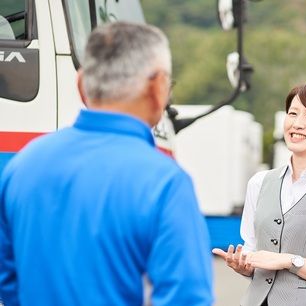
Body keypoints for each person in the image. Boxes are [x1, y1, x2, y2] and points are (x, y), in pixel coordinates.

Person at [0, 21, 213, 306]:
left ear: (80, 84)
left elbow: (9, 281)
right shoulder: (165, 182)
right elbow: (186, 298)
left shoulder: (21, 167)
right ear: (158, 87)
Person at [213, 83, 306, 306]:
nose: (297, 124)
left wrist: (289, 261)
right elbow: (252, 249)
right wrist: (244, 265)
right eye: (293, 114)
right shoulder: (259, 183)